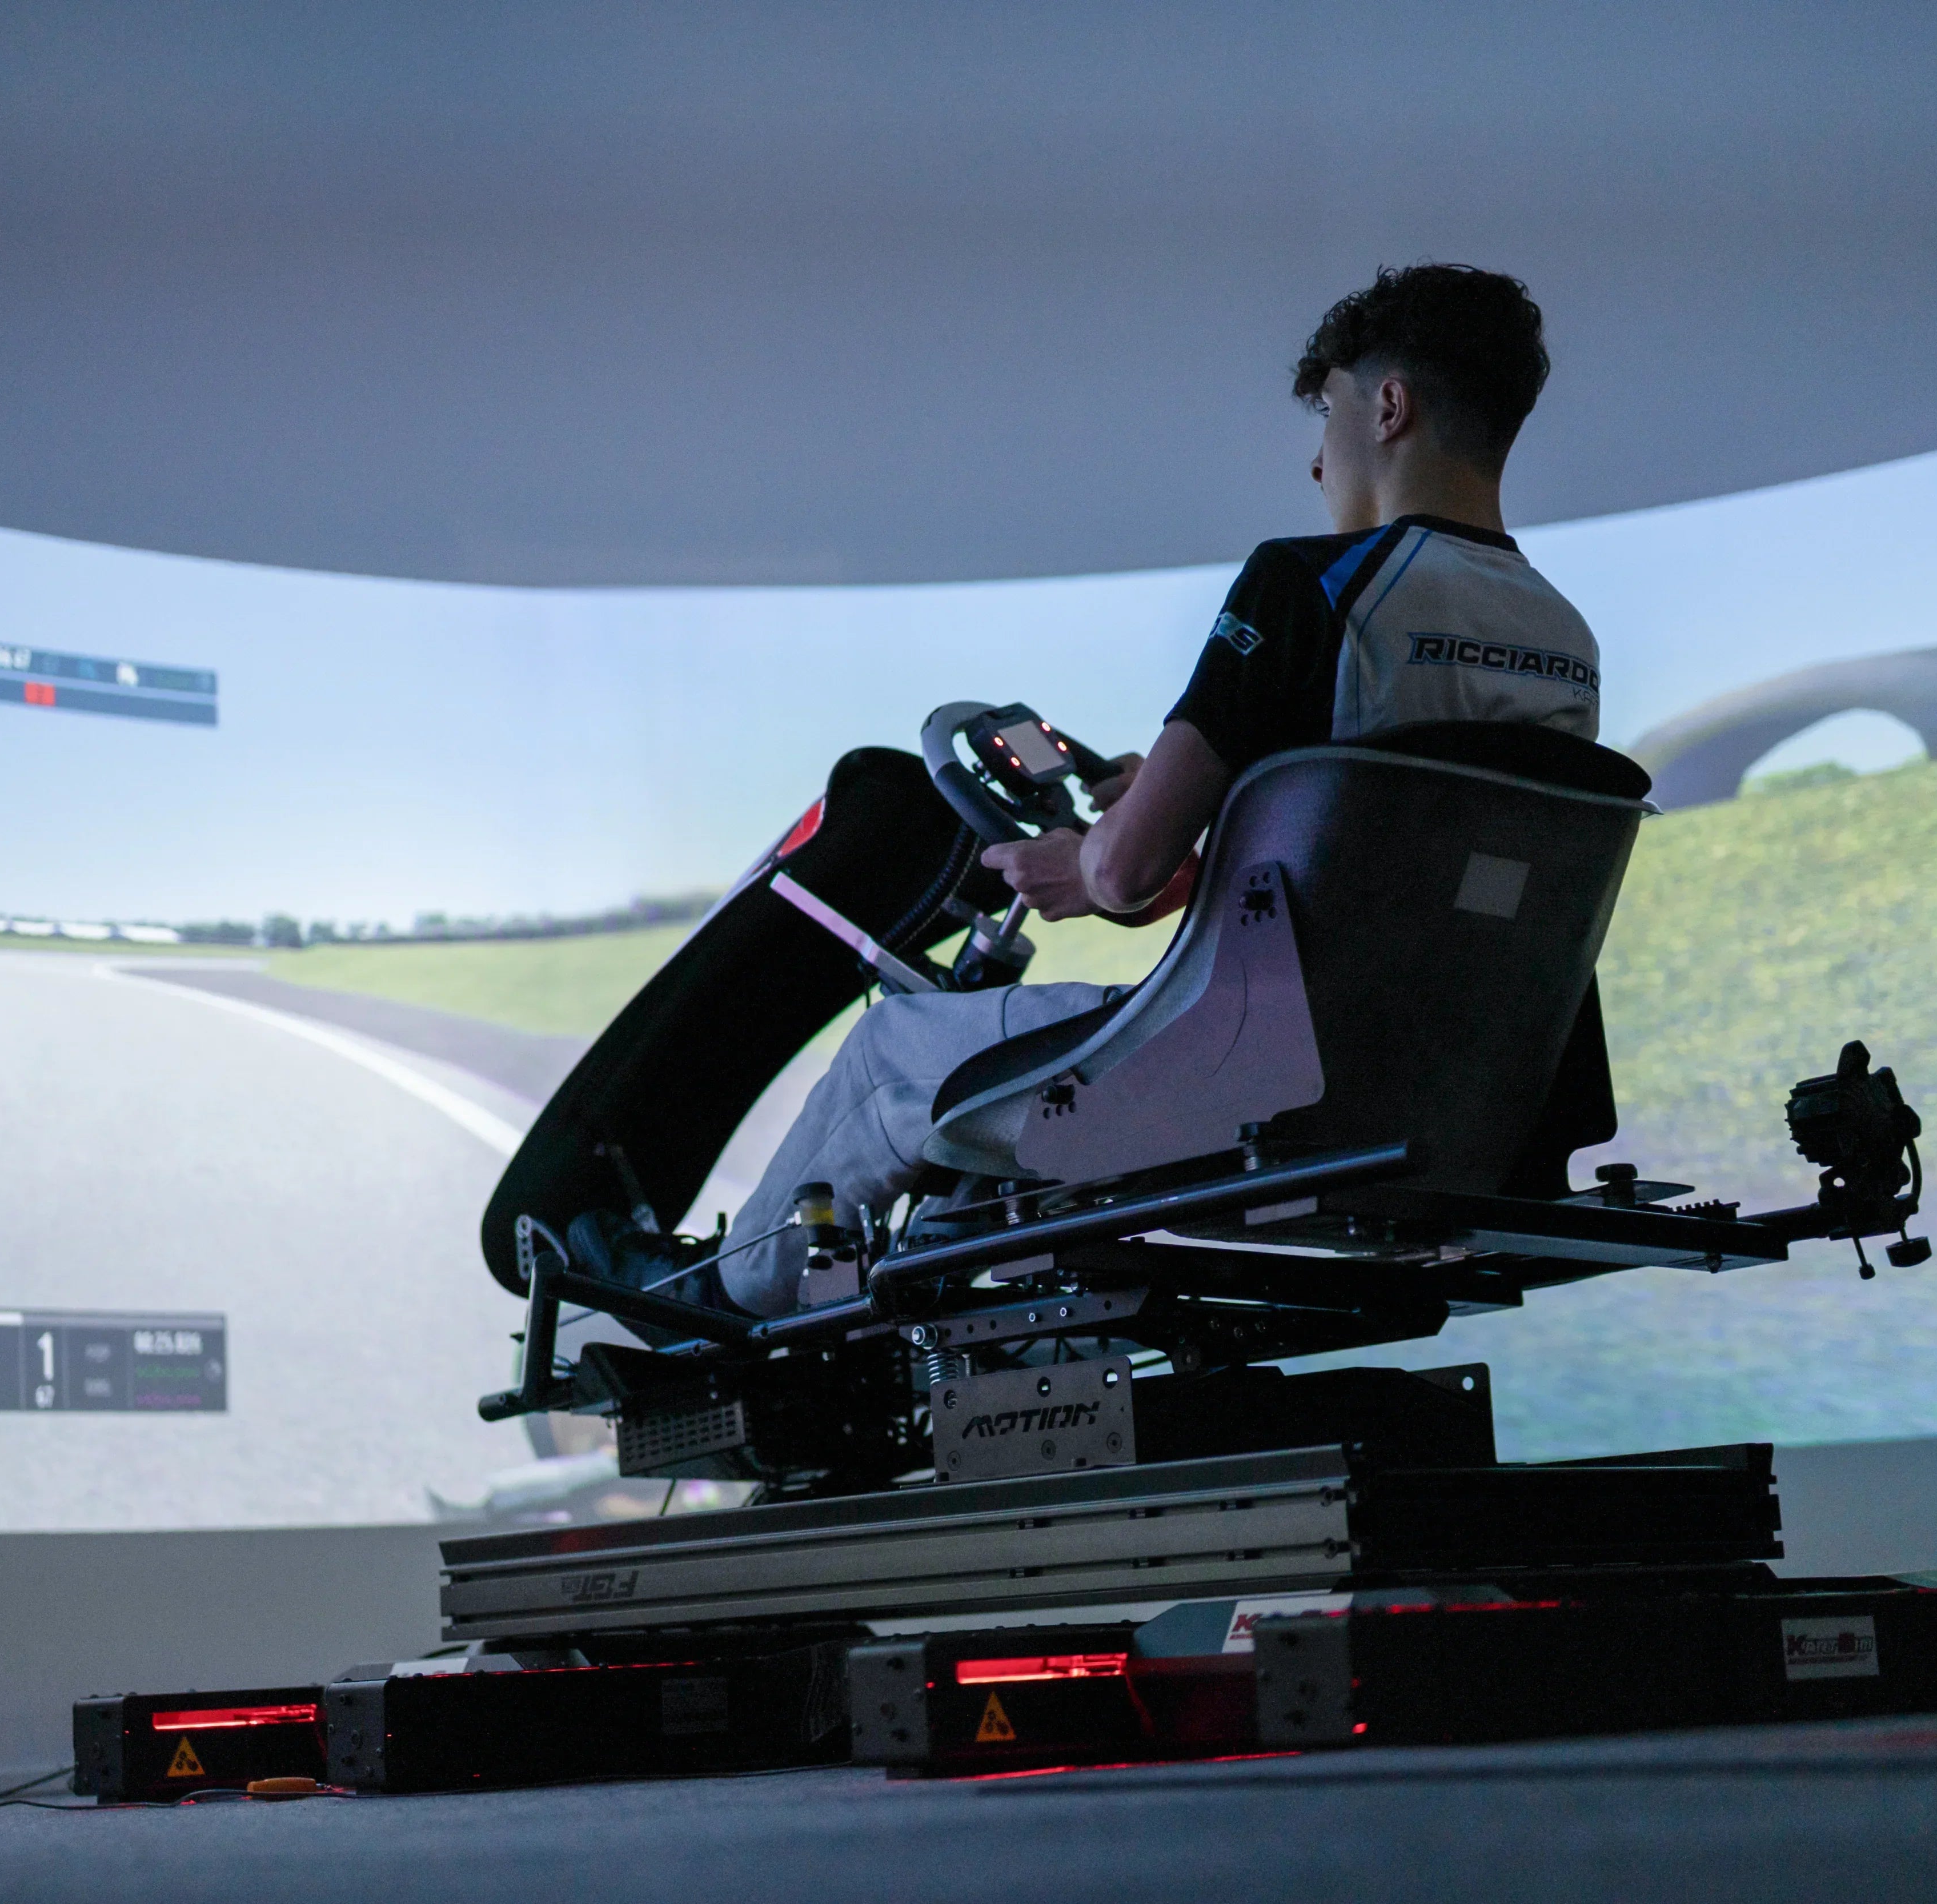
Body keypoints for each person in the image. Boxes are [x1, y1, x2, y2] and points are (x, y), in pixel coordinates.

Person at [580, 262, 1600, 1318]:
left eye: (1333, 414)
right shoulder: (1565, 639)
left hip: (1258, 1076)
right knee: (979, 1099)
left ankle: (712, 1300)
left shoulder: (1313, 584)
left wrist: (1086, 861)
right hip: (1452, 1091)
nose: (1316, 459)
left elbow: (1122, 871)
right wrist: (1198, 836)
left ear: (1389, 407)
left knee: (894, 1047)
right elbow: (1390, 880)